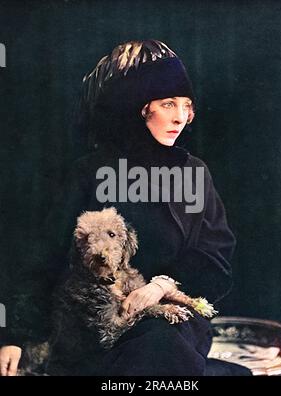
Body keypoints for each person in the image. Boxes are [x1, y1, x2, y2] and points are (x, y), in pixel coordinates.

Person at [0, 40, 250, 376]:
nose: (180, 117)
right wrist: (16, 336)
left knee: (161, 345)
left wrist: (161, 286)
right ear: (141, 107)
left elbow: (216, 258)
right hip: (97, 329)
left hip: (171, 325)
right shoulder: (90, 171)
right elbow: (43, 259)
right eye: (168, 104)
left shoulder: (193, 172)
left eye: (186, 105)